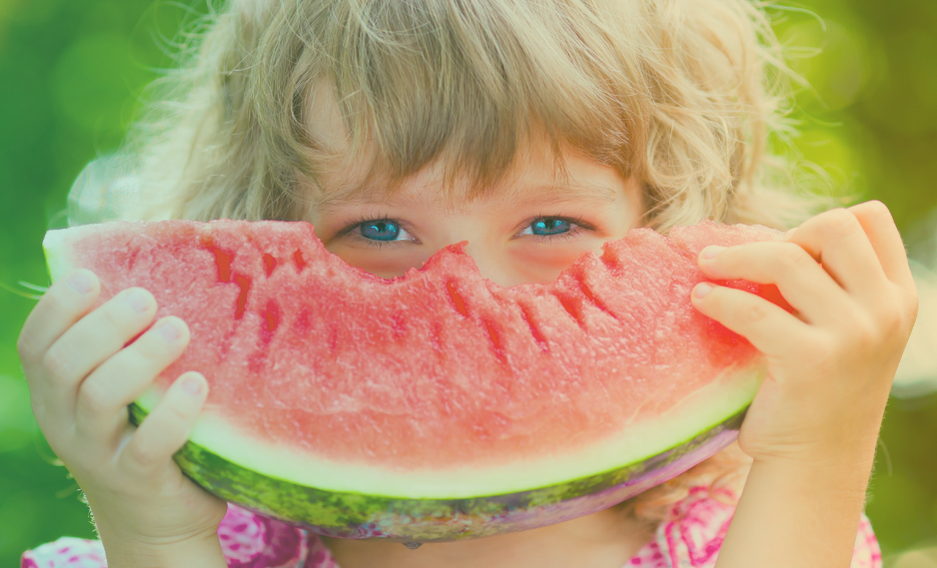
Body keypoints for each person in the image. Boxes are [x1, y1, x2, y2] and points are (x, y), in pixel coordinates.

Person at [17, 0, 917, 566]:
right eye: (378, 229)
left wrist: (815, 455)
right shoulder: (229, 553)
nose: (469, 288)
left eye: (551, 225)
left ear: (671, 226)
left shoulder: (748, 541)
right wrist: (156, 536)